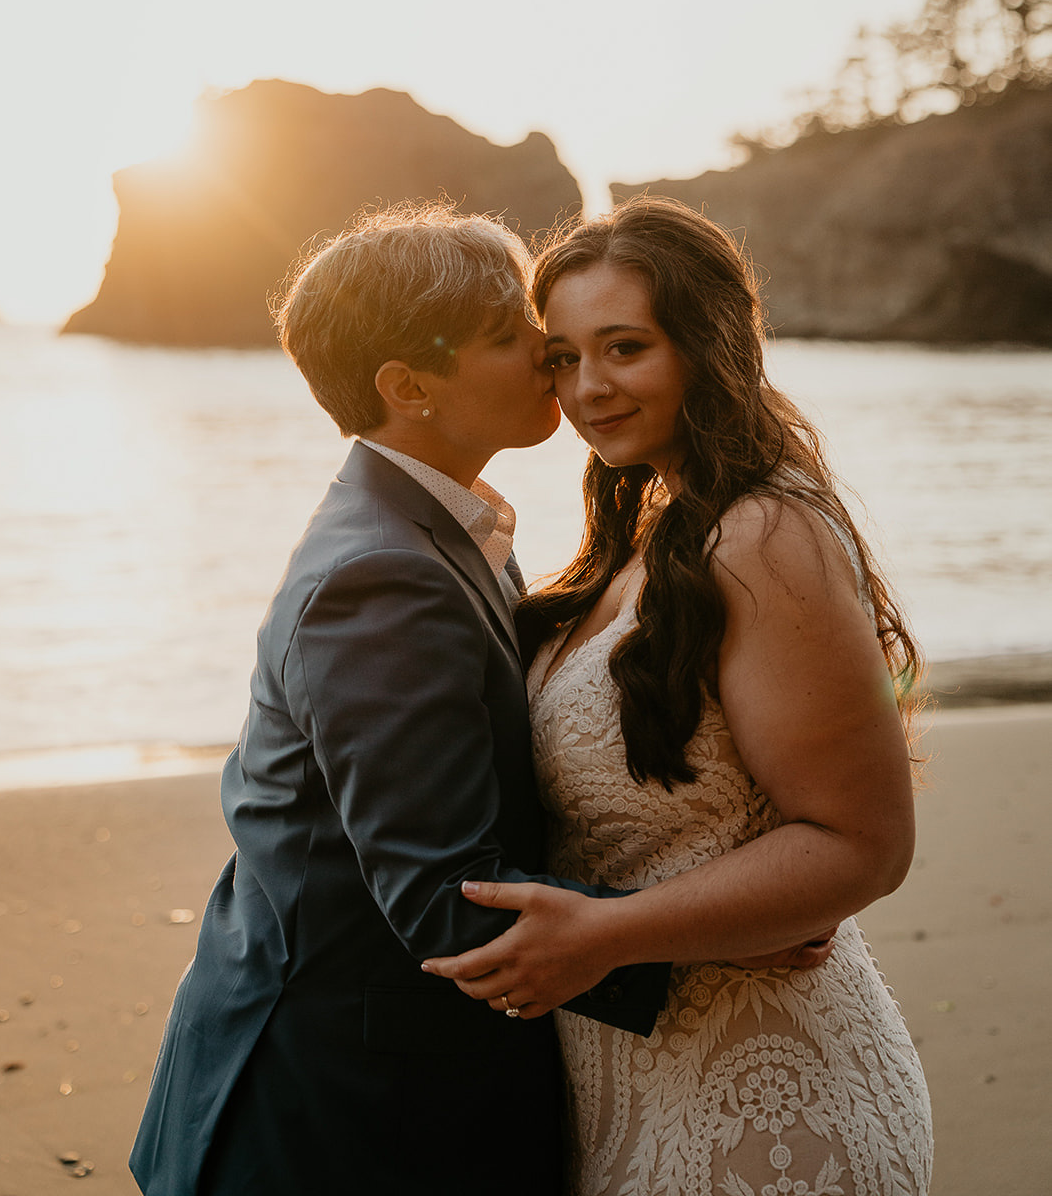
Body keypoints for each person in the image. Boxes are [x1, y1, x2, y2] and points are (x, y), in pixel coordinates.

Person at [129, 204, 671, 1196]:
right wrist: (709, 941)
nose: (547, 352)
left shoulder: (426, 527)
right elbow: (445, 902)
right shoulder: (381, 576)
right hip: (339, 1118)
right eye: (508, 337)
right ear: (407, 388)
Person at [423, 197, 935, 1196]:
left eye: (623, 347)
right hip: (634, 1082)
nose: (587, 388)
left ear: (709, 346)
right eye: (562, 357)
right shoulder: (649, 529)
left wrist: (606, 933)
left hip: (767, 1108)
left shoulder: (763, 536)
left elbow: (863, 842)